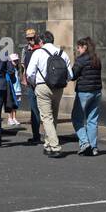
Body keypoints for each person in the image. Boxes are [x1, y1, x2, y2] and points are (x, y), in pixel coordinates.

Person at [26, 30, 73, 158]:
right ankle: (48, 145)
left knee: (46, 117)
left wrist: (35, 83)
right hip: (58, 88)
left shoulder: (38, 52)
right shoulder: (62, 53)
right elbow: (70, 75)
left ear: (41, 41)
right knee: (54, 116)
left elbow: (29, 73)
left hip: (42, 86)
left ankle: (55, 146)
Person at [71, 36, 102, 156]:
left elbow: (73, 75)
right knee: (92, 120)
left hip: (84, 92)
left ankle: (84, 143)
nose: (78, 50)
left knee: (77, 118)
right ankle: (94, 147)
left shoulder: (81, 60)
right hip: (97, 92)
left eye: (78, 47)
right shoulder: (97, 59)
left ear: (84, 47)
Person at [21, 26, 43, 144]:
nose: (30, 40)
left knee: (44, 110)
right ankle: (36, 135)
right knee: (34, 110)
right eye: (28, 39)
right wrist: (24, 79)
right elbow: (24, 67)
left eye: (32, 38)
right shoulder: (25, 50)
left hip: (40, 83)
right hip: (30, 84)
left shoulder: (41, 48)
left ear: (36, 37)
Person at [4, 52, 22, 130]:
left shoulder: (17, 68)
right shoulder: (9, 69)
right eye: (14, 61)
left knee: (16, 104)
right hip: (12, 88)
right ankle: (9, 118)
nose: (15, 62)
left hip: (17, 88)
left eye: (16, 60)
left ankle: (14, 117)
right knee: (10, 103)